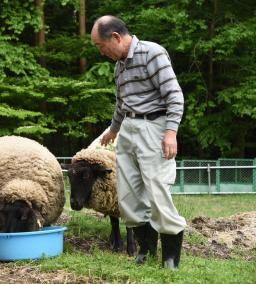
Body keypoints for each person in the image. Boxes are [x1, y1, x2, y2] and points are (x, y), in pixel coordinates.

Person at [91, 15, 186, 269]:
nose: (101, 52)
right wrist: (113, 130)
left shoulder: (152, 53)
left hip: (154, 127)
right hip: (128, 130)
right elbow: (122, 104)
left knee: (157, 189)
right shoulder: (119, 66)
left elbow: (174, 95)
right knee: (128, 195)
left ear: (115, 37)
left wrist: (170, 132)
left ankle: (169, 259)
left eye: (101, 46)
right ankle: (145, 249)